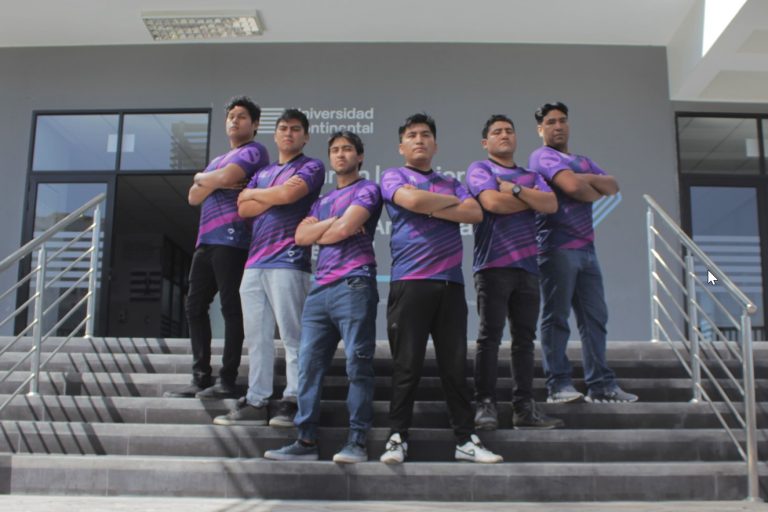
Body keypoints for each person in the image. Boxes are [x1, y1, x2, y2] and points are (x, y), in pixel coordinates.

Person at [378, 113, 503, 464]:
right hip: (410, 282)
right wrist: (444, 204)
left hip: (450, 284)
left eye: (426, 135)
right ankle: (397, 437)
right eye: (412, 135)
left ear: (435, 144)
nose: (419, 140)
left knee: (455, 368)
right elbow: (412, 202)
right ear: (401, 146)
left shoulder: (451, 180)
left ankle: (465, 439)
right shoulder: (392, 176)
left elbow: (474, 212)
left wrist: (428, 206)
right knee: (407, 367)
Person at [264, 131, 382, 463]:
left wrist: (330, 229)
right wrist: (334, 223)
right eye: (335, 150)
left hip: (354, 284)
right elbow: (301, 236)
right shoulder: (321, 202)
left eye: (348, 149)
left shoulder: (368, 189)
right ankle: (305, 442)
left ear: (360, 156)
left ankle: (357, 441)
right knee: (308, 367)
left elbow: (344, 230)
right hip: (319, 292)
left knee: (358, 365)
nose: (341, 154)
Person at [213, 109, 325, 426]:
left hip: (289, 261)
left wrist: (257, 195)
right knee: (257, 338)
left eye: (295, 129)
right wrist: (265, 196)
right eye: (283, 128)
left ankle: (293, 399)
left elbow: (290, 194)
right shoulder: (263, 172)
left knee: (293, 337)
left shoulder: (311, 166)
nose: (289, 133)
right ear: (275, 135)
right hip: (255, 263)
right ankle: (257, 400)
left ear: (305, 136)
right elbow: (243, 207)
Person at [528, 101, 638, 404]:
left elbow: (612, 186)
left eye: (562, 120)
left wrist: (580, 181)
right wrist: (585, 185)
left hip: (587, 250)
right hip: (556, 247)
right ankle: (558, 384)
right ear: (540, 129)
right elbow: (574, 188)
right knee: (557, 318)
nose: (558, 126)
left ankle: (601, 384)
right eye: (551, 122)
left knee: (595, 319)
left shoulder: (583, 160)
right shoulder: (542, 156)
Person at [165, 96, 269, 400]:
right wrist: (210, 180)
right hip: (205, 242)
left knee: (230, 308)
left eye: (242, 116)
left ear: (255, 124)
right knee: (194, 306)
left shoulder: (254, 151)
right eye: (231, 116)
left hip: (233, 241)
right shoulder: (217, 160)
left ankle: (227, 379)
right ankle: (200, 377)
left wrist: (204, 179)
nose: (235, 120)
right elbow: (192, 197)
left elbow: (223, 178)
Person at [467, 114, 564, 430]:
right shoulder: (480, 169)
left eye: (509, 130)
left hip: (527, 268)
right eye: (497, 131)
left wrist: (516, 191)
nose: (504, 135)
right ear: (486, 142)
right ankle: (485, 405)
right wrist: (529, 199)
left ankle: (524, 409)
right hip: (492, 266)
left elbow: (550, 204)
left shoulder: (529, 176)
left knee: (524, 341)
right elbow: (493, 203)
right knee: (489, 338)